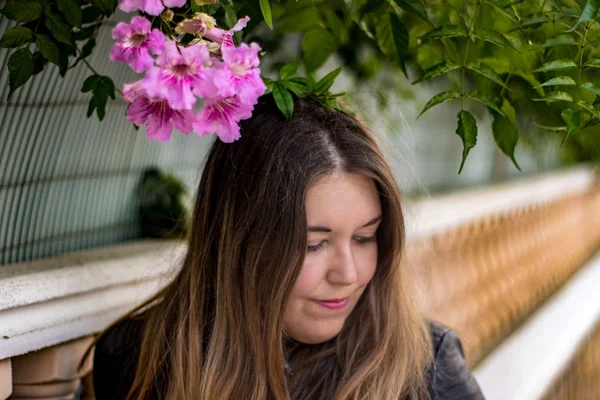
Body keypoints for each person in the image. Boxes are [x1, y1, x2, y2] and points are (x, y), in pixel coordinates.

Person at [93, 97, 484, 400]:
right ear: (240, 243)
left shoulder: (428, 371)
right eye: (314, 245)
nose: (348, 274)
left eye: (365, 238)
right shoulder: (138, 357)